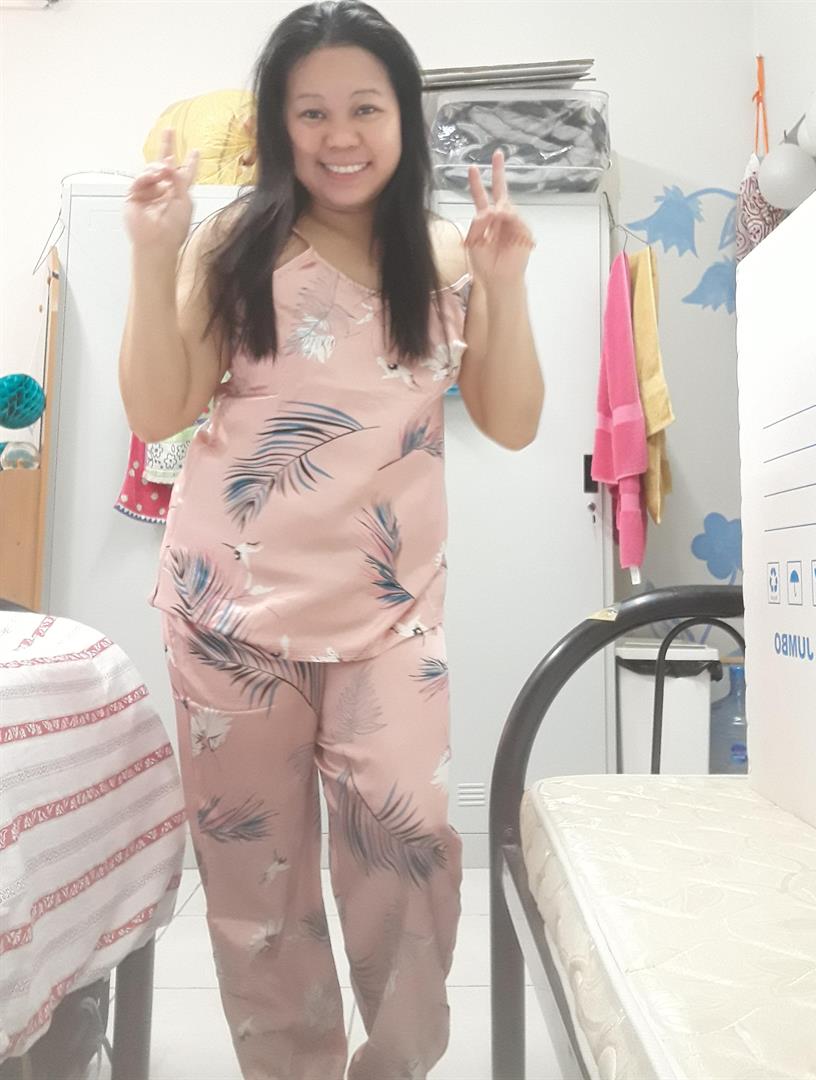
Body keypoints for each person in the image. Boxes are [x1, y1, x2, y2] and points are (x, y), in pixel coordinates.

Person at [118, 2, 543, 1077]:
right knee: (257, 891)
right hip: (227, 618)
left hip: (388, 618)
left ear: (404, 118)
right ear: (278, 124)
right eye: (311, 112)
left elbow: (512, 420)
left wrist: (503, 285)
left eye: (365, 108)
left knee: (411, 853)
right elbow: (159, 408)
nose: (339, 135)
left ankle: (392, 1067)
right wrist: (152, 255)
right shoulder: (232, 244)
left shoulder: (441, 253)